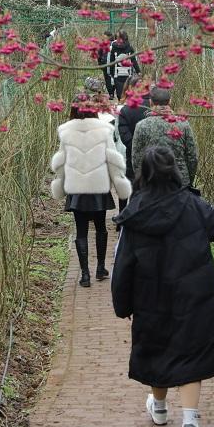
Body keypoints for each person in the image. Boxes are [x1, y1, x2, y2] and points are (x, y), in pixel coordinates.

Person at [111, 145, 214, 427]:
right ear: (174, 169)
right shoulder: (191, 205)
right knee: (191, 353)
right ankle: (190, 422)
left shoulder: (133, 215)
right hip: (193, 296)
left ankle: (159, 408)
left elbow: (123, 264)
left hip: (150, 299)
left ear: (143, 173)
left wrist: (123, 305)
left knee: (156, 350)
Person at [50, 92, 131, 287]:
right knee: (101, 228)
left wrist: (59, 183)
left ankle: (84, 274)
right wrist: (118, 182)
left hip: (76, 187)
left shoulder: (66, 132)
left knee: (81, 231)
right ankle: (100, 268)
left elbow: (61, 160)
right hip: (98, 186)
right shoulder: (103, 131)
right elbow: (112, 159)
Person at [131, 84, 199, 189]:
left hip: (152, 182)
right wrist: (188, 180)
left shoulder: (141, 126)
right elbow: (192, 157)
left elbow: (136, 159)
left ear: (150, 102)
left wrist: (142, 181)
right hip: (180, 183)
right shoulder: (183, 124)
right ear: (170, 101)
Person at [116, 82, 149, 212]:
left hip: (127, 152)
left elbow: (122, 133)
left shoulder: (125, 110)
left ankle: (122, 214)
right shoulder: (151, 108)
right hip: (149, 154)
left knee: (126, 184)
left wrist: (133, 147)